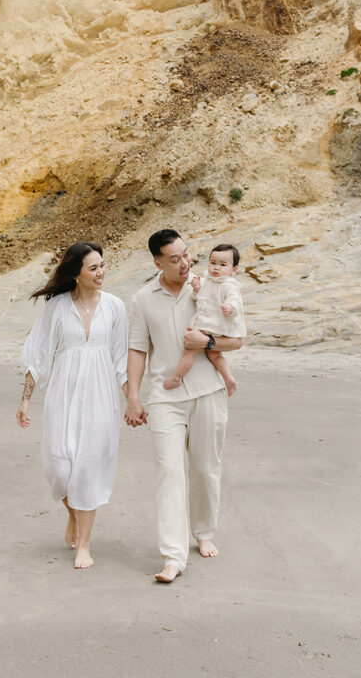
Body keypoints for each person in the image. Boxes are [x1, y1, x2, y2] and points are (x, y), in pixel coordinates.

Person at [124, 229, 243, 583]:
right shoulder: (143, 299)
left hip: (208, 390)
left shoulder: (211, 286)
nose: (184, 263)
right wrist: (133, 395)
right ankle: (173, 556)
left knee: (206, 469)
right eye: (173, 259)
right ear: (157, 262)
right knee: (169, 472)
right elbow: (137, 349)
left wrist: (206, 339)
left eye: (186, 254)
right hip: (164, 396)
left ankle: (203, 531)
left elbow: (236, 338)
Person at [16, 242, 128, 569]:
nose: (101, 272)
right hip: (62, 394)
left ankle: (85, 545)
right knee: (59, 468)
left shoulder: (115, 307)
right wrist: (25, 399)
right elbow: (39, 354)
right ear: (76, 273)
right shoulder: (56, 307)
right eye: (93, 268)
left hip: (99, 396)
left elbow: (121, 359)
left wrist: (132, 398)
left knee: (88, 468)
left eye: (102, 266)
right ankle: (73, 515)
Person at [163, 243, 245, 396]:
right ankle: (229, 379)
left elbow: (236, 300)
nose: (216, 268)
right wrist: (196, 290)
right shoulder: (207, 282)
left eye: (222, 265)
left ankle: (177, 377)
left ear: (234, 270)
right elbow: (200, 299)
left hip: (210, 326)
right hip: (215, 327)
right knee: (214, 355)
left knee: (189, 350)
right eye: (213, 263)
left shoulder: (228, 285)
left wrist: (230, 307)